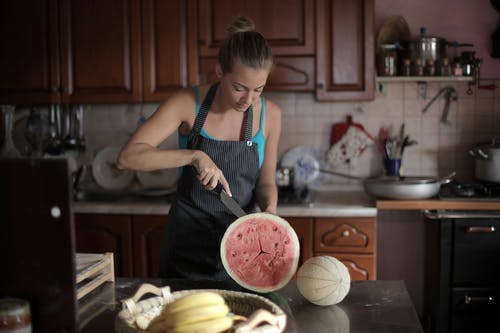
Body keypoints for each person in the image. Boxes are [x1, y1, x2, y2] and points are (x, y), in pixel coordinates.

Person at [117, 16, 281, 283]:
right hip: (186, 247)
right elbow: (127, 158)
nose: (248, 100)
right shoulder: (187, 103)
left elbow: (265, 184)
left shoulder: (271, 115)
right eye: (239, 88)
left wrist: (270, 211)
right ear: (220, 72)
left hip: (243, 251)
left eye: (258, 90)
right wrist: (194, 156)